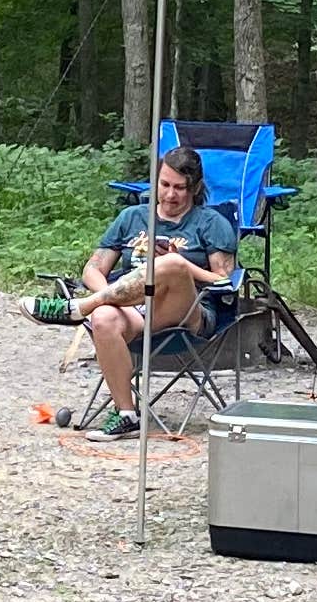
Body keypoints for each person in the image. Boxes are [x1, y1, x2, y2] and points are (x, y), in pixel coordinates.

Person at [65, 143, 236, 436]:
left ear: (195, 188)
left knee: (173, 264)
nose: (170, 195)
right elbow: (92, 270)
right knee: (103, 317)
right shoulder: (132, 217)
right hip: (135, 310)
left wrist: (179, 264)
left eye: (180, 188)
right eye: (164, 184)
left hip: (186, 315)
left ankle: (80, 307)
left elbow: (223, 280)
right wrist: (111, 297)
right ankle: (127, 414)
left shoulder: (211, 223)